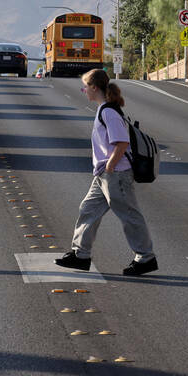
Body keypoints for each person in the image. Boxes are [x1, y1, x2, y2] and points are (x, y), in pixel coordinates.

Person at [55, 68, 158, 276]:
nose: (84, 91)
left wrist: (110, 166)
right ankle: (80, 255)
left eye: (85, 87)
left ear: (94, 87)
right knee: (88, 209)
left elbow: (121, 142)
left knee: (129, 215)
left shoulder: (108, 112)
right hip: (104, 174)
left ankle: (146, 258)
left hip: (116, 174)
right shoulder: (105, 109)